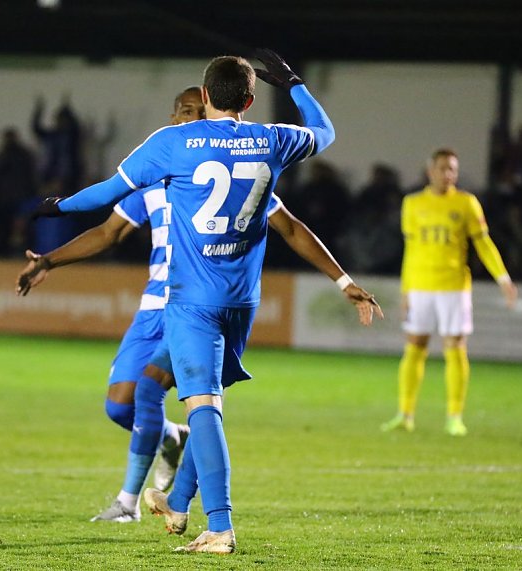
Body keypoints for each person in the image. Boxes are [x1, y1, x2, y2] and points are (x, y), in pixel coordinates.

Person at [28, 50, 382, 554]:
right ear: (251, 98)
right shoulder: (271, 140)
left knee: (201, 406)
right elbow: (324, 132)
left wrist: (55, 206)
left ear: (205, 93)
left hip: (193, 301)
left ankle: (219, 527)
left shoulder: (173, 143)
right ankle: (179, 504)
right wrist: (295, 85)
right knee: (208, 409)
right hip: (242, 301)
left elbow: (104, 193)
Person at [17, 86, 206, 523]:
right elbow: (107, 233)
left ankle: (128, 504)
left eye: (200, 112)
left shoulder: (227, 174)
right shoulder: (154, 180)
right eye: (184, 111)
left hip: (194, 309)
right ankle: (171, 440)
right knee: (119, 406)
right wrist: (48, 260)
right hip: (151, 308)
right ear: (173, 116)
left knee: (150, 395)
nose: (191, 119)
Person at [381, 148, 518, 437]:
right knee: (414, 347)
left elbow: (483, 243)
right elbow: (411, 249)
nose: (448, 174)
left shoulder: (467, 203)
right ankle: (405, 414)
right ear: (430, 171)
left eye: (453, 169)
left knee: (455, 347)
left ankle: (454, 417)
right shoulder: (413, 203)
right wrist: (405, 290)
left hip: (454, 287)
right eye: (443, 168)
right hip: (420, 285)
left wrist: (503, 278)